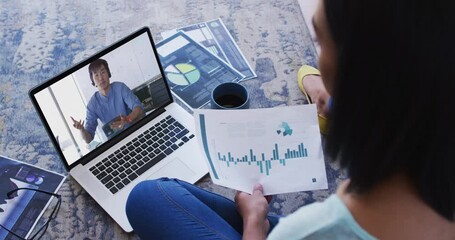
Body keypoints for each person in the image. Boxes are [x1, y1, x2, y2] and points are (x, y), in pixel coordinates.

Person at [125, 0, 455, 239]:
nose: (317, 56)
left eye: (320, 42)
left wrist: (255, 225)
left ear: (358, 79)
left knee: (147, 198)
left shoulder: (310, 230)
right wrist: (323, 89)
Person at [71, 59, 144, 143]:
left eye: (103, 72)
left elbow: (138, 108)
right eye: (96, 75)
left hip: (135, 132)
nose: (101, 78)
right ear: (93, 80)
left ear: (108, 73)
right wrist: (82, 130)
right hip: (116, 142)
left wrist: (127, 119)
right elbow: (88, 139)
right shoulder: (92, 105)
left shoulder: (120, 87)